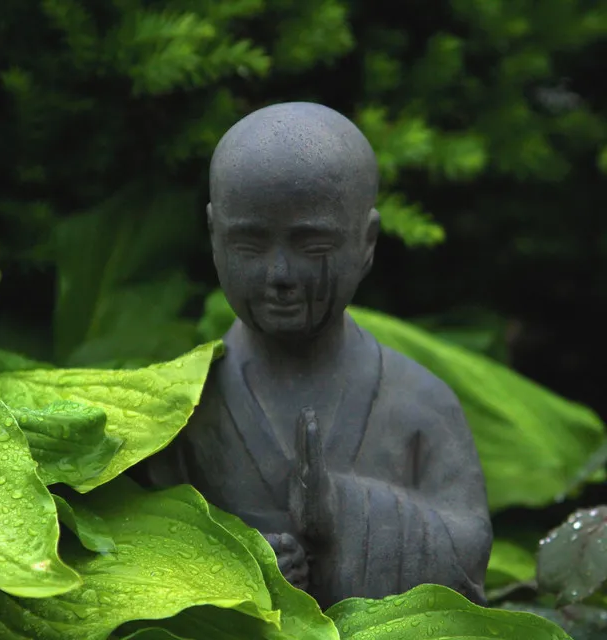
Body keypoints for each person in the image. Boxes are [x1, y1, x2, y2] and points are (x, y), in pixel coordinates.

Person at [146, 102, 493, 609]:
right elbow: (137, 544)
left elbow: (469, 550)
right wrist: (237, 561)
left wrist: (343, 517)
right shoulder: (182, 406)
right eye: (250, 244)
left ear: (367, 242)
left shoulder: (420, 402)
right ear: (215, 236)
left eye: (311, 246)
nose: (279, 274)